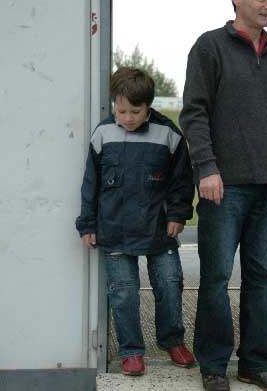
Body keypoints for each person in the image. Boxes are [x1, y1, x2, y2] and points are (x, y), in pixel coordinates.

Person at [179, 0, 267, 390]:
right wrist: (207, 169)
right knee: (216, 278)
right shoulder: (210, 47)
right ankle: (214, 366)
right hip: (223, 187)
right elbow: (194, 113)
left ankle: (256, 363)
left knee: (264, 278)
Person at [75, 67, 195, 376]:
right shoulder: (103, 134)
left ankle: (173, 340)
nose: (128, 118)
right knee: (124, 291)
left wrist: (178, 214)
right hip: (114, 228)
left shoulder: (168, 134)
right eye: (121, 110)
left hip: (159, 227)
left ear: (149, 105)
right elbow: (91, 183)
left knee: (169, 283)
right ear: (114, 103)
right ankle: (131, 350)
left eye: (136, 111)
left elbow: (182, 181)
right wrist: (87, 224)